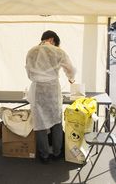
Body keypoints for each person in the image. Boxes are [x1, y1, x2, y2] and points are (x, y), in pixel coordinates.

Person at [25, 30, 76, 164]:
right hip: (52, 90)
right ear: (52, 39)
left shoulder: (31, 51)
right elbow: (71, 69)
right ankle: (57, 153)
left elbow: (29, 73)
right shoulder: (58, 52)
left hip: (37, 91)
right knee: (56, 122)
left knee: (40, 123)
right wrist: (71, 79)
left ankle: (44, 155)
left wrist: (38, 77)